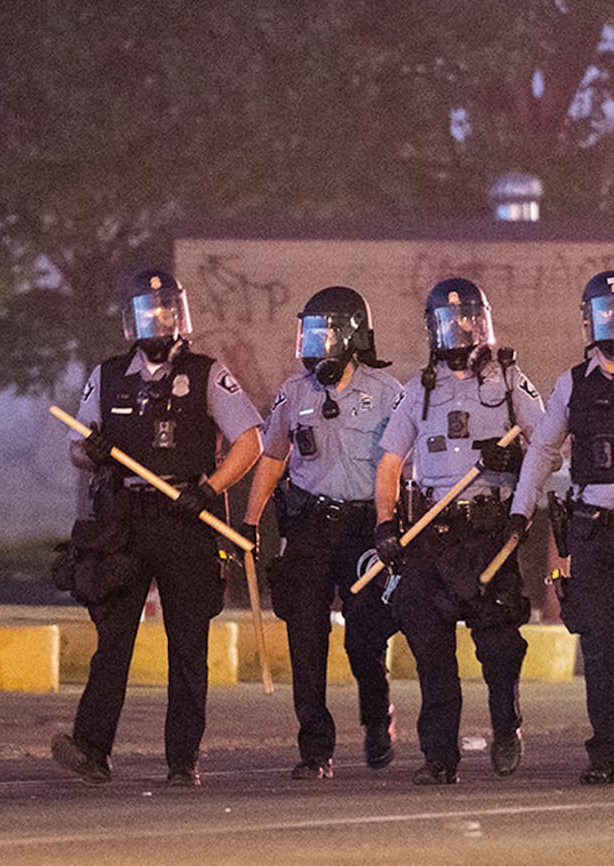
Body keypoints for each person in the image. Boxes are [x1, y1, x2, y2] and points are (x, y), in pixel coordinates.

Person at [52, 270, 263, 788]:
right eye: (149, 313)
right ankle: (92, 748)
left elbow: (250, 442)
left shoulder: (209, 373)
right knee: (114, 639)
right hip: (124, 519)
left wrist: (210, 489)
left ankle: (182, 759)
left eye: (167, 311)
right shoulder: (107, 375)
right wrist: (92, 450)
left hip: (187, 516)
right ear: (131, 322)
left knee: (187, 643)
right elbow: (78, 447)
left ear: (181, 316)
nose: (159, 322)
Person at [511, 270, 614, 785]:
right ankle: (603, 751)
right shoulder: (571, 383)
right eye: (607, 313)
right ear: (589, 321)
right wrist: (522, 510)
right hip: (591, 532)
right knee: (599, 642)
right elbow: (543, 448)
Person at [377, 277, 540, 787]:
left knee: (497, 645)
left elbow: (547, 448)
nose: (461, 331)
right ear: (433, 330)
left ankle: (506, 726)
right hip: (432, 534)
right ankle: (439, 757)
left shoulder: (512, 382)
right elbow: (388, 463)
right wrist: (385, 522)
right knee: (429, 645)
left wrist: (513, 459)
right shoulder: (416, 391)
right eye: (449, 323)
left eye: (469, 319)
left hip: (488, 531)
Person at [239, 287, 405, 779]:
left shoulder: (389, 392)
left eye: (326, 333)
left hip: (364, 531)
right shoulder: (294, 392)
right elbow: (273, 456)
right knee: (305, 639)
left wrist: (392, 527)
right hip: (309, 526)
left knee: (364, 639)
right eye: (310, 332)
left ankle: (378, 719)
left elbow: (403, 463)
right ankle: (315, 748)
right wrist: (250, 521)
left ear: (352, 336)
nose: (316, 344)